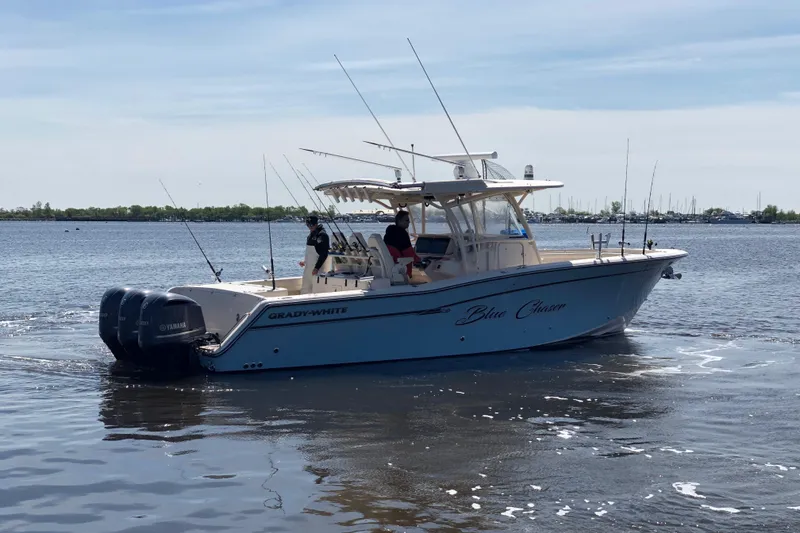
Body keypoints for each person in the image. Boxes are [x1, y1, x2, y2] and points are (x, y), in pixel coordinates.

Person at [298, 215, 330, 294]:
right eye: (308, 225)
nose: (310, 227)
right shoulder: (310, 235)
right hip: (308, 267)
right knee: (305, 287)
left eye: (311, 225)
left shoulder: (322, 235)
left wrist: (316, 268)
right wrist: (305, 262)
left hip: (317, 269)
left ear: (316, 224)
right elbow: (310, 252)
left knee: (316, 288)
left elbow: (324, 254)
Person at [383, 210, 420, 277]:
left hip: (390, 266)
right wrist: (419, 260)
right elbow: (409, 253)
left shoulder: (389, 232)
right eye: (406, 220)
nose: (409, 222)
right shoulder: (402, 234)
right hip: (402, 269)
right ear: (399, 221)